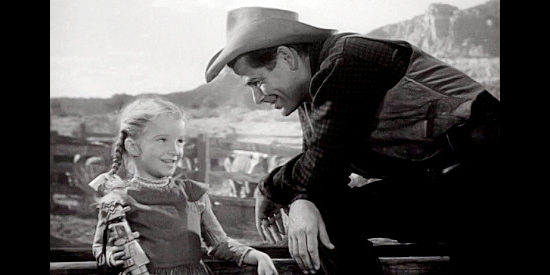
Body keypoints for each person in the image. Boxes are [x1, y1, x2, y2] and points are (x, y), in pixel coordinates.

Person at [204, 7, 500, 275]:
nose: (258, 98)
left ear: (286, 57)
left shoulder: (347, 60)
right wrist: (302, 198)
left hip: (482, 183)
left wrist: (272, 187)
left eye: (257, 82)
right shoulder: (314, 89)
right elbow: (321, 168)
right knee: (326, 214)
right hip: (446, 190)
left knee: (327, 213)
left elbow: (322, 163)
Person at [90, 96, 278, 275]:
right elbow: (100, 247)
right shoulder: (116, 201)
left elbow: (219, 243)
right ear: (133, 147)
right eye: (162, 140)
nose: (175, 150)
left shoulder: (192, 193)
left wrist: (257, 256)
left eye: (179, 141)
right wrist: (109, 257)